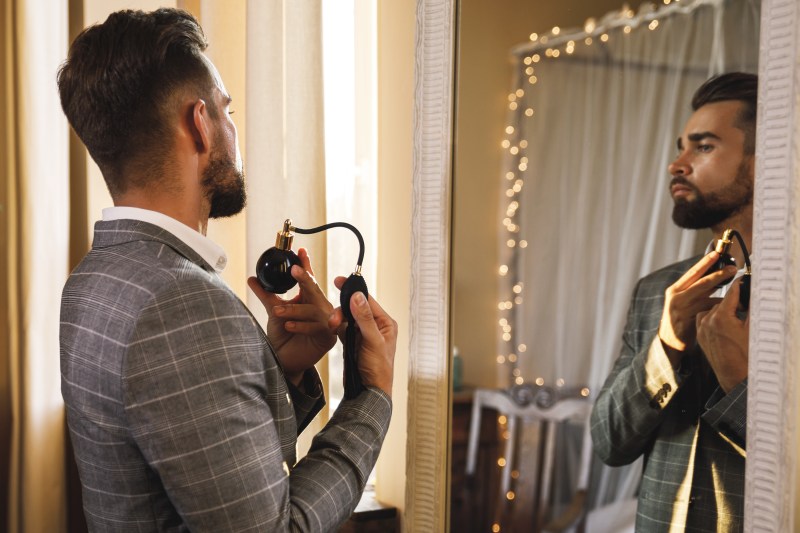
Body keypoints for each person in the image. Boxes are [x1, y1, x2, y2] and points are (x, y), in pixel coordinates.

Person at [57, 8, 396, 532]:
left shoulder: (93, 279)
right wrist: (370, 396)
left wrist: (277, 371)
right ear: (200, 124)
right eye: (228, 110)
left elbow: (185, 455)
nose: (235, 129)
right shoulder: (185, 304)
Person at [591, 72, 756, 532]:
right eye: (681, 146)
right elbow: (608, 442)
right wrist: (667, 342)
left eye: (703, 147)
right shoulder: (657, 290)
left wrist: (738, 382)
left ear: (765, 162)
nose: (676, 164)